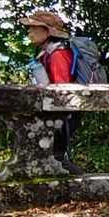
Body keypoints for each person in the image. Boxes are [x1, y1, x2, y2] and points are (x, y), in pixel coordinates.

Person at [19, 9, 80, 167]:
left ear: (47, 32)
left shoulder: (58, 54)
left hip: (63, 114)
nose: (29, 32)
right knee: (52, 156)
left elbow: (62, 89)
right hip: (57, 113)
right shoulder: (47, 52)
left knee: (57, 157)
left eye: (34, 28)